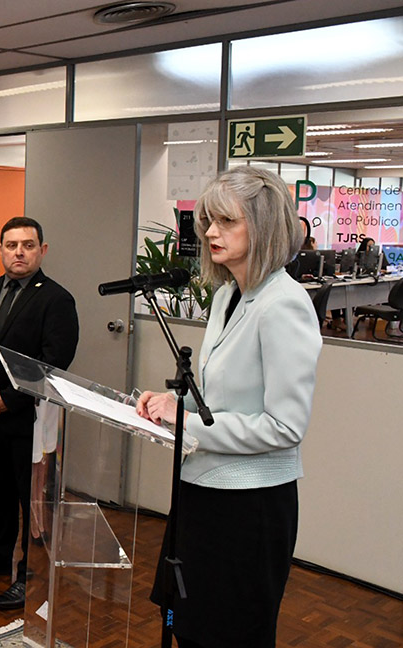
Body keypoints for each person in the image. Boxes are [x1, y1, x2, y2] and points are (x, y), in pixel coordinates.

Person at [135, 167, 322, 648]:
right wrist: (169, 403)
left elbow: (284, 426)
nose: (210, 233)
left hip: (249, 507)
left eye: (226, 222)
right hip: (202, 491)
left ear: (262, 227)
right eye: (207, 222)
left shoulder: (285, 303)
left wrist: (191, 425)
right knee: (188, 625)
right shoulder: (226, 295)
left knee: (230, 634)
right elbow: (220, 397)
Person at [0, 216, 79, 611]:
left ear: (42, 250)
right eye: (11, 245)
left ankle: (29, 573)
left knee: (28, 498)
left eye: (27, 245)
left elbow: (53, 362)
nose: (18, 252)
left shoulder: (56, 299)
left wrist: (9, 398)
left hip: (25, 416)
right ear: (1, 249)